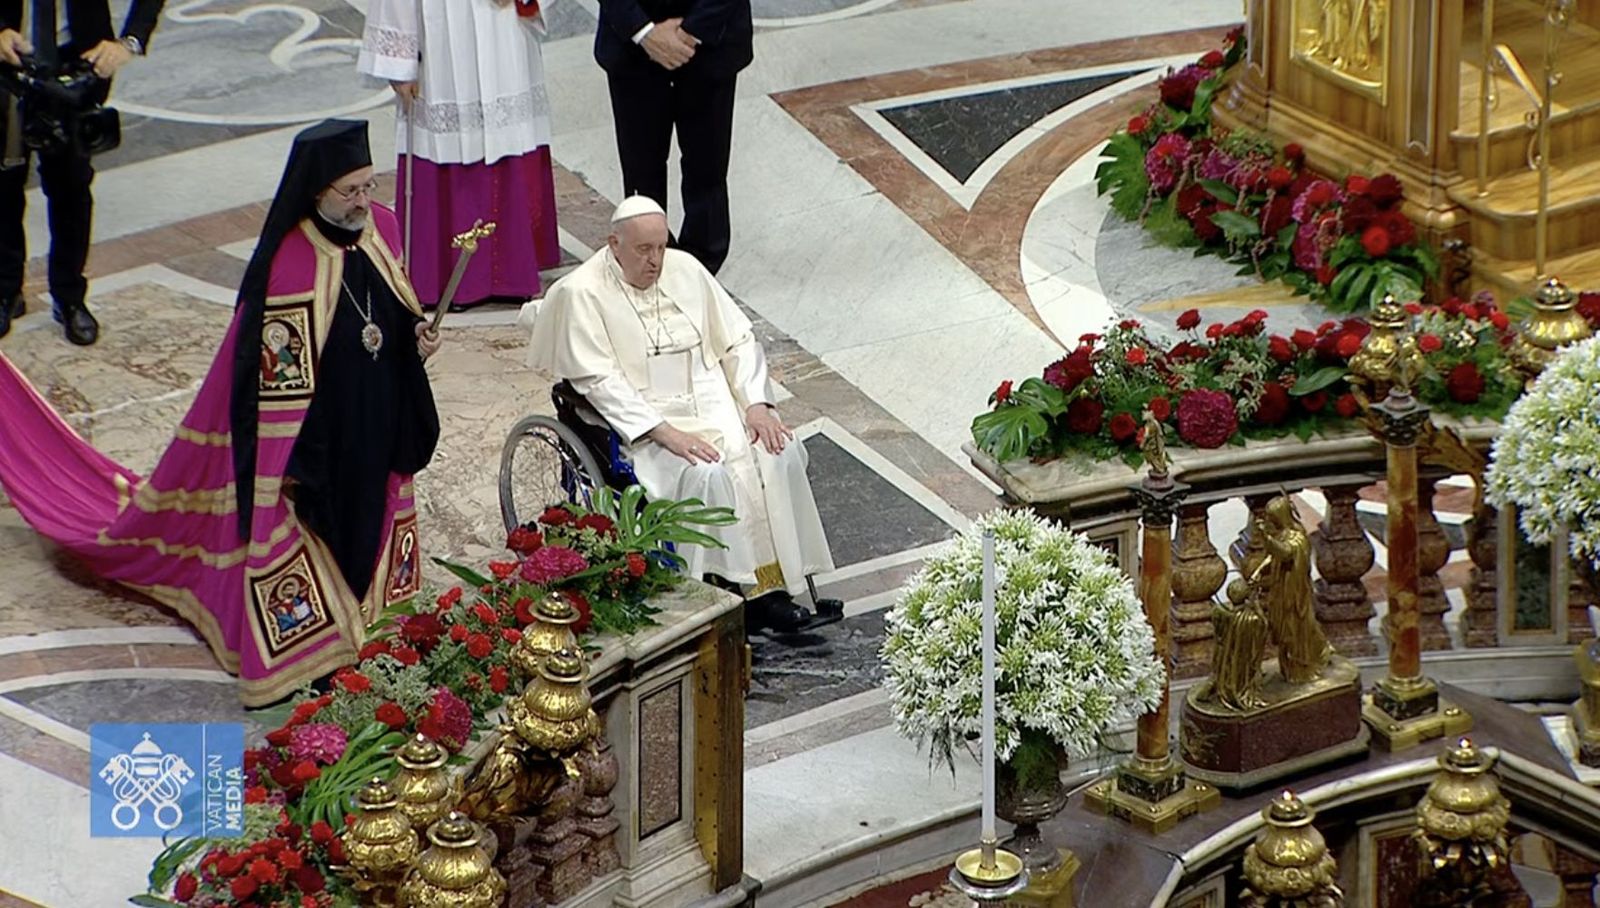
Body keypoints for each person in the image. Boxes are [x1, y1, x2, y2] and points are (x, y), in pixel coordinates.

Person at [0, 120, 442, 705]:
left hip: (378, 415)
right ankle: (317, 645)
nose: (365, 201)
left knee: (375, 515)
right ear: (316, 192)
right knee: (328, 525)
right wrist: (291, 464)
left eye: (368, 185)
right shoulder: (288, 263)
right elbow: (271, 385)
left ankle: (371, 616)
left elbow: (390, 308)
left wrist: (416, 335)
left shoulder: (380, 229)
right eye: (351, 191)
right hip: (319, 439)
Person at [526, 195, 840, 633]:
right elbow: (599, 382)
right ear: (613, 244)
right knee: (708, 472)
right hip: (647, 420)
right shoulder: (582, 293)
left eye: (661, 247)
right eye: (643, 250)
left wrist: (756, 405)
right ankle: (727, 587)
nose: (656, 261)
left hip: (714, 398)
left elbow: (738, 341)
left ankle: (777, 585)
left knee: (777, 451)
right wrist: (664, 433)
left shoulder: (687, 269)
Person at [358, 0, 560, 309]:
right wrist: (399, 62)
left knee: (506, 134)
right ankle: (443, 275)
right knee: (447, 137)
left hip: (503, 28)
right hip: (442, 39)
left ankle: (512, 273)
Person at [0, 0, 165, 343]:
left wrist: (129, 41)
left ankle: (70, 297)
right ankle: (6, 291)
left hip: (77, 65)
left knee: (71, 187)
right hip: (8, 65)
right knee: (4, 184)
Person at [595, 0, 751, 275]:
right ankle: (646, 259)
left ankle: (701, 270)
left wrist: (690, 32)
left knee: (708, 166)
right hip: (632, 49)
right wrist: (643, 31)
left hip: (712, 42)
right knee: (640, 170)